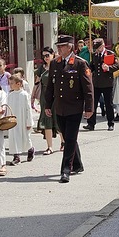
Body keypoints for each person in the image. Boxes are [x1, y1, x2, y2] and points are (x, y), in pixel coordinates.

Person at [45, 35, 93, 183]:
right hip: (59, 108)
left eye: (62, 46)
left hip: (75, 107)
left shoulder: (80, 64)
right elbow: (50, 86)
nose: (59, 49)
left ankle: (65, 170)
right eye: (58, 46)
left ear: (71, 47)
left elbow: (88, 88)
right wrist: (47, 104)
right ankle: (77, 164)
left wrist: (89, 107)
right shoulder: (55, 63)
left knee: (70, 139)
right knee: (68, 137)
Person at [83, 38, 119, 131]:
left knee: (108, 104)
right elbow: (92, 66)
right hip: (96, 83)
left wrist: (109, 68)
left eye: (98, 47)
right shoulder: (95, 55)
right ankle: (91, 124)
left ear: (102, 46)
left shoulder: (110, 54)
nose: (97, 50)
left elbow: (117, 66)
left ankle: (110, 123)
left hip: (107, 83)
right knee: (93, 104)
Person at [36, 47, 64, 155]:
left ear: (53, 54)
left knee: (58, 119)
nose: (45, 58)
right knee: (47, 120)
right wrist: (34, 96)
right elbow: (37, 82)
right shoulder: (42, 68)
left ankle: (63, 142)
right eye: (43, 56)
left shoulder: (58, 66)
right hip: (45, 96)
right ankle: (49, 147)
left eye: (47, 55)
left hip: (56, 96)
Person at [7, 75, 35, 165]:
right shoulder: (10, 95)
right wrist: (8, 119)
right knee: (14, 137)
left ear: (18, 84)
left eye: (12, 83)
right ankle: (16, 156)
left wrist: (29, 121)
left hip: (23, 119)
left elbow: (28, 109)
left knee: (25, 137)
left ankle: (30, 149)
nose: (10, 85)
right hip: (13, 120)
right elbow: (8, 108)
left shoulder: (24, 95)